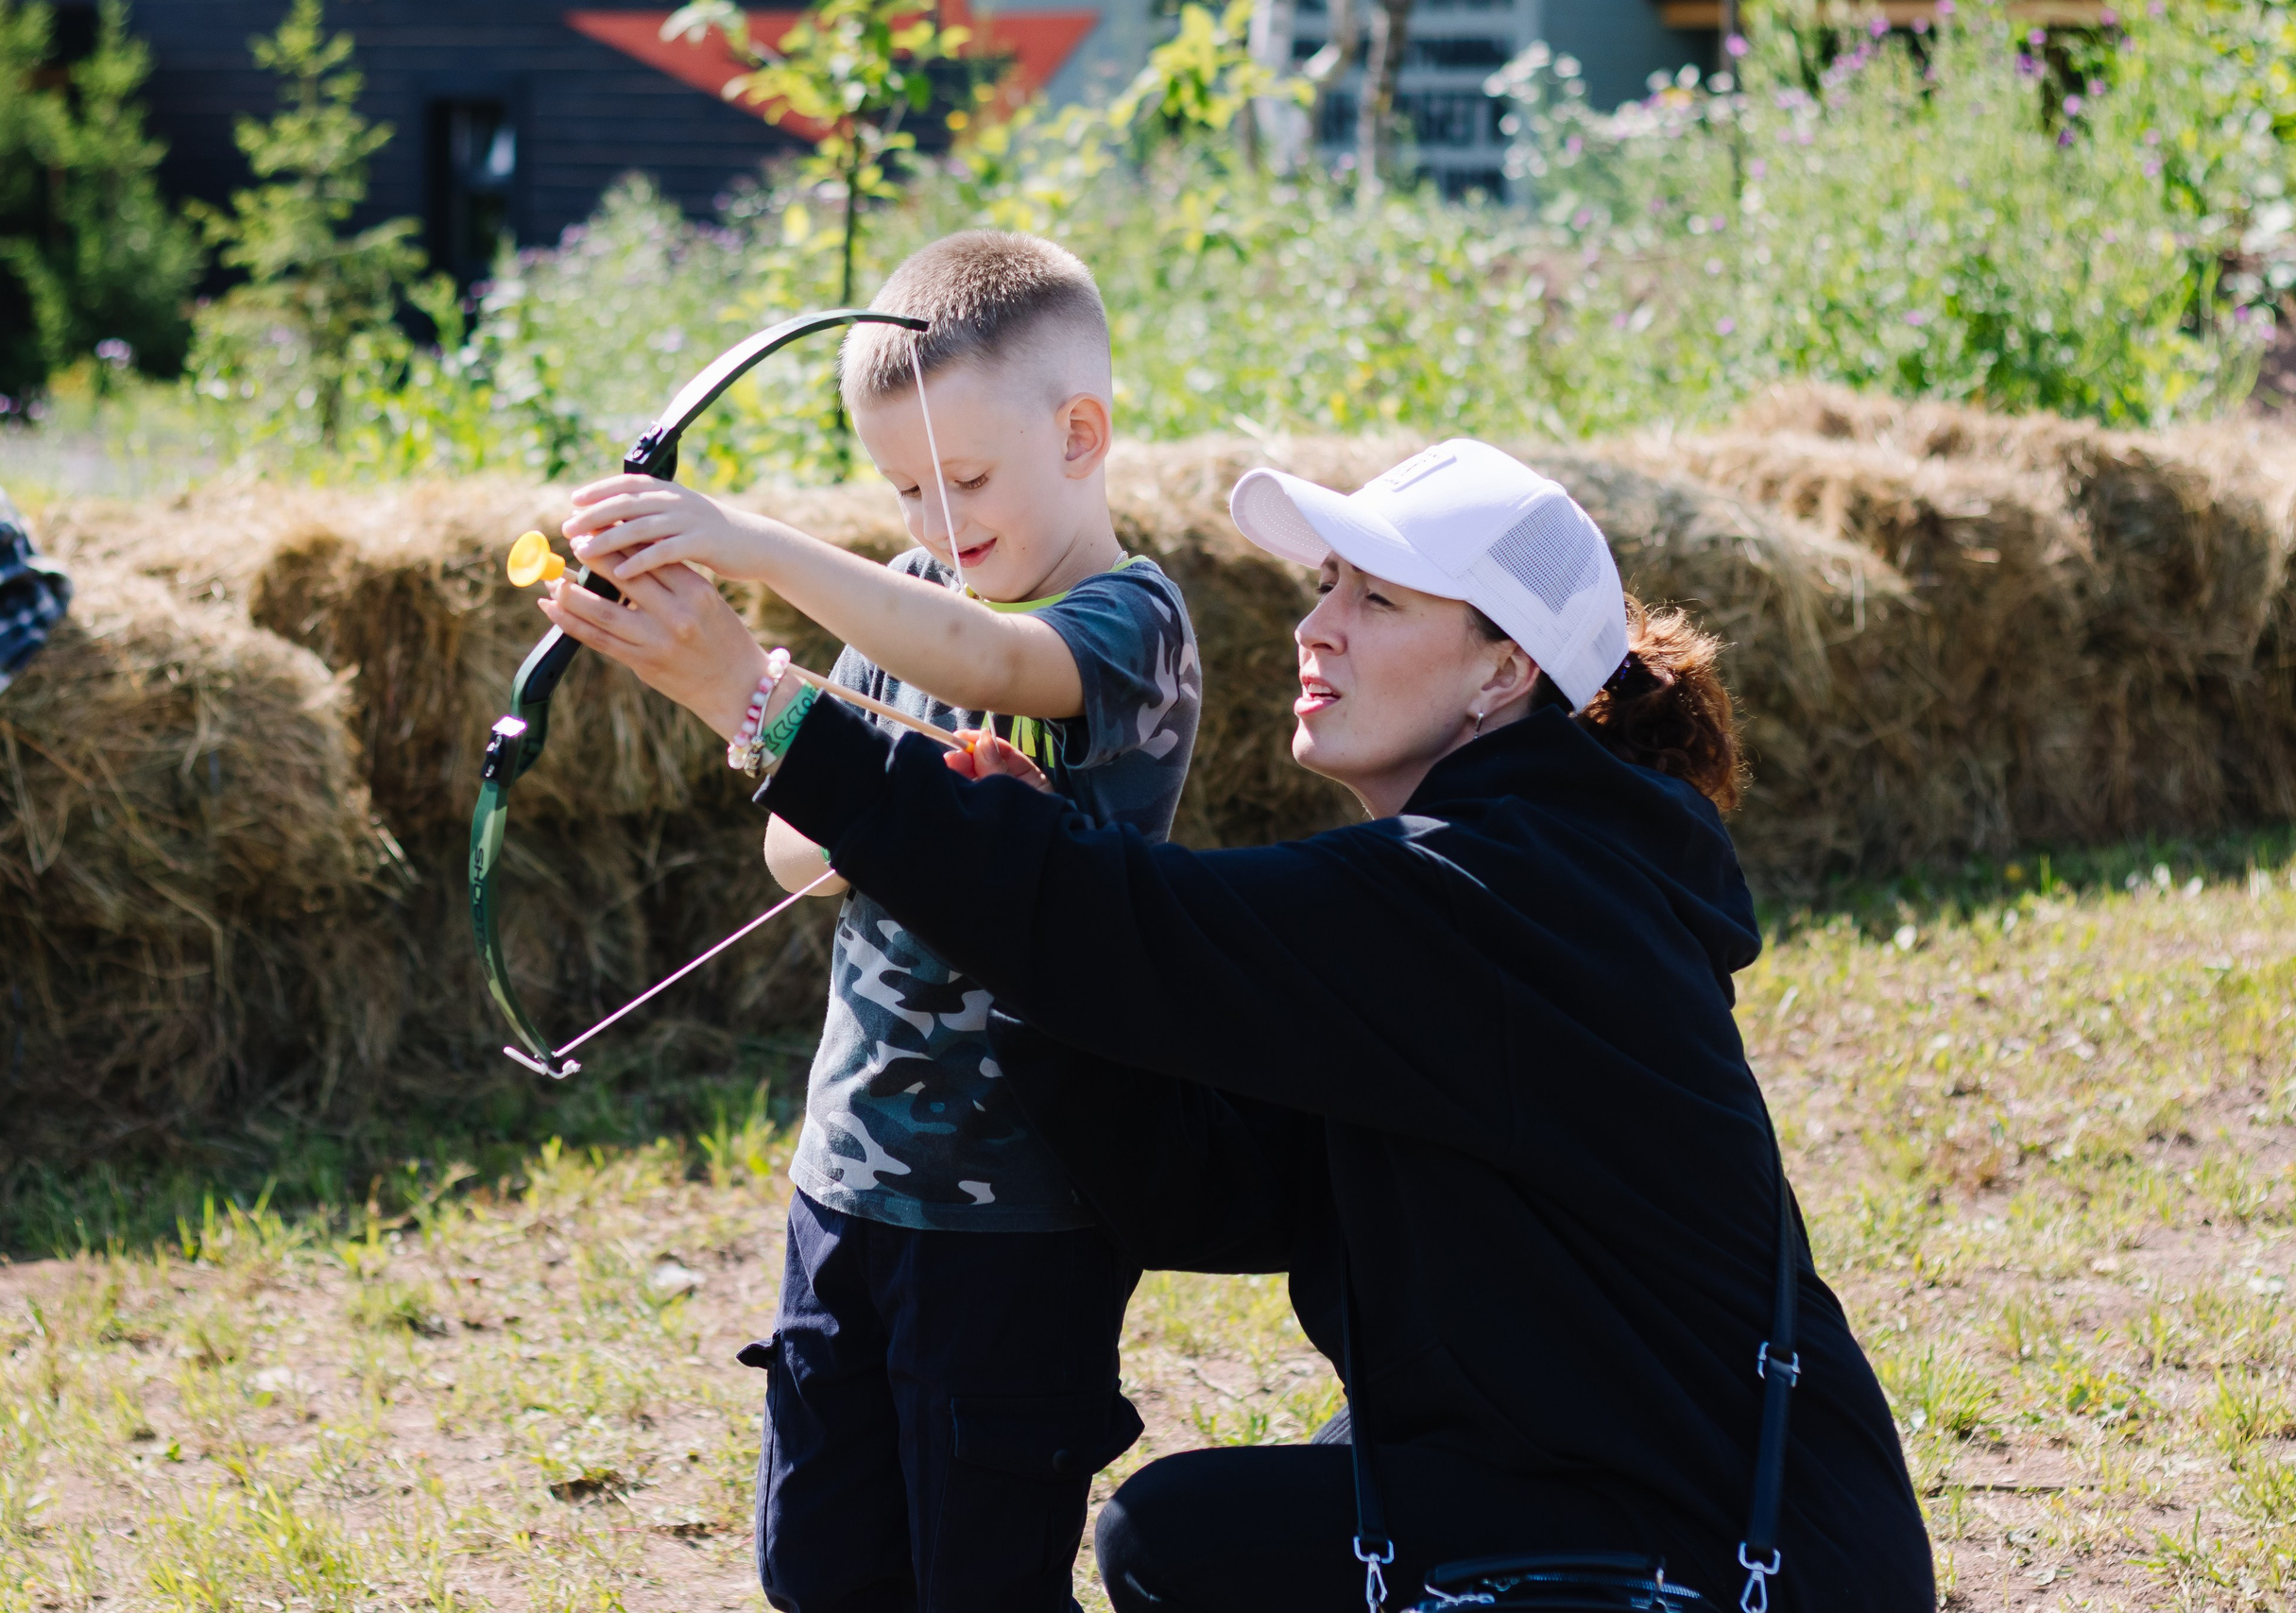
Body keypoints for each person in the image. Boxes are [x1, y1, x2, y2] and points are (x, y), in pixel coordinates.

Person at [543, 438, 1935, 1612]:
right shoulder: (1510, 871)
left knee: (1186, 1544)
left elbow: (1141, 931)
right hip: (1611, 1480)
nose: (1315, 628)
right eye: (1326, 586)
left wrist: (762, 702)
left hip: (1735, 1558)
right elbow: (1205, 1192)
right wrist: (1043, 947)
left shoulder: (1506, 893)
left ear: (1503, 675)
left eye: (1378, 602)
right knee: (1217, 1526)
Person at [562, 232, 1201, 1613]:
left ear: (1080, 432)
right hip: (847, 1172)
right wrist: (882, 802)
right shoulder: (910, 593)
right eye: (904, 487)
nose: (933, 521)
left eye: (964, 479)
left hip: (1027, 1201)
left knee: (981, 1568)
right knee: (823, 1560)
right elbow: (797, 844)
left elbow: (992, 661)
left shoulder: (1127, 622)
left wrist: (742, 547)